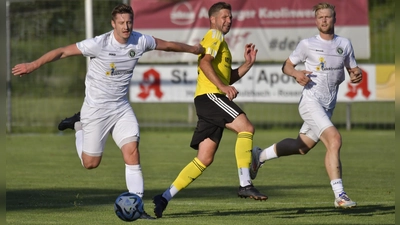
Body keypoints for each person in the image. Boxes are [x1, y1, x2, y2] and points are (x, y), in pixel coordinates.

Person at [11, 3, 204, 219]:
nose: (126, 26)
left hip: (121, 107)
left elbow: (167, 45)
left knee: (132, 151)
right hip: (95, 110)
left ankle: (137, 207)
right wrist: (33, 65)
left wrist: (193, 49)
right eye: (121, 22)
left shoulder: (140, 40)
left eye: (129, 22)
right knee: (90, 164)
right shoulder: (99, 43)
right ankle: (78, 125)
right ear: (113, 24)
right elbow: (63, 51)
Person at [152, 2, 267, 219]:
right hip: (211, 97)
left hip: (207, 100)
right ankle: (245, 183)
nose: (228, 20)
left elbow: (228, 77)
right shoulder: (215, 35)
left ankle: (164, 197)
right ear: (212, 19)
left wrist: (247, 64)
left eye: (230, 17)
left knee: (204, 158)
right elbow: (205, 64)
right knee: (246, 128)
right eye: (224, 17)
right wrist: (223, 88)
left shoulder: (219, 41)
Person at [249, 2, 362, 209]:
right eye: (320, 17)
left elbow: (352, 68)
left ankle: (260, 155)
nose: (324, 20)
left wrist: (356, 74)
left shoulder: (344, 44)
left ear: (334, 19)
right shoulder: (307, 44)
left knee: (301, 147)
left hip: (327, 106)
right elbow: (287, 66)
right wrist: (296, 74)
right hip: (310, 102)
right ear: (316, 20)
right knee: (334, 139)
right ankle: (340, 195)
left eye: (328, 17)